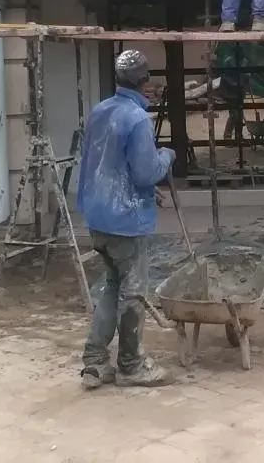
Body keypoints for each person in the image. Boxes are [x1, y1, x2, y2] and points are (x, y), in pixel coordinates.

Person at [78, 49, 176, 389]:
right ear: (144, 82)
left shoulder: (99, 111)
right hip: (125, 220)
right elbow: (147, 172)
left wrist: (150, 192)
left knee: (111, 287)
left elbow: (106, 165)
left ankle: (94, 361)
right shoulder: (136, 119)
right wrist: (166, 156)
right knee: (132, 293)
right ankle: (131, 365)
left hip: (98, 215)